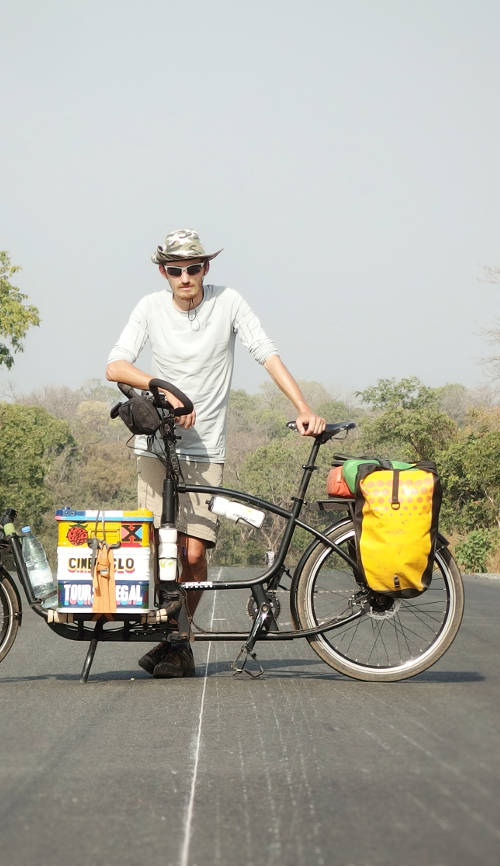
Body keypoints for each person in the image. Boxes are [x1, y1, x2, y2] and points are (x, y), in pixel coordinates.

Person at [105, 229, 327, 678]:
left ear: (206, 268)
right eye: (175, 270)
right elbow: (115, 365)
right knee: (152, 548)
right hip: (157, 447)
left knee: (192, 553)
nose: (184, 277)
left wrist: (302, 407)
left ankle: (179, 640)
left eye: (193, 268)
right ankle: (170, 637)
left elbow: (265, 352)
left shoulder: (228, 303)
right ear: (162, 272)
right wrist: (164, 391)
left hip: (206, 449)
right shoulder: (149, 308)